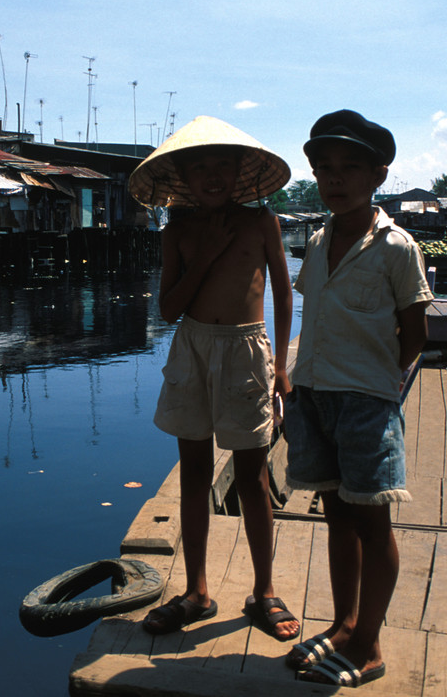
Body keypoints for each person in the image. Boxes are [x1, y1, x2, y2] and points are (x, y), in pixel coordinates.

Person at [127, 116, 299, 641]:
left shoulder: (261, 222)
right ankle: (197, 590)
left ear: (239, 172)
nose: (212, 176)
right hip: (194, 350)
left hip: (247, 349)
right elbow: (170, 307)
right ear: (184, 179)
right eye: (200, 168)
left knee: (253, 476)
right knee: (194, 472)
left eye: (221, 166)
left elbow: (283, 293)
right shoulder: (177, 231)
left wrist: (281, 369)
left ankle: (265, 591)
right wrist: (203, 257)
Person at [284, 110, 433, 687]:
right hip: (315, 396)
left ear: (379, 175)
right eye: (324, 170)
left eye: (349, 169)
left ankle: (369, 645)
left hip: (366, 400)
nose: (335, 180)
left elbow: (414, 333)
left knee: (374, 522)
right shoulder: (318, 241)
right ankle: (344, 625)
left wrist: (380, 383)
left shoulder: (397, 246)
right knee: (337, 517)